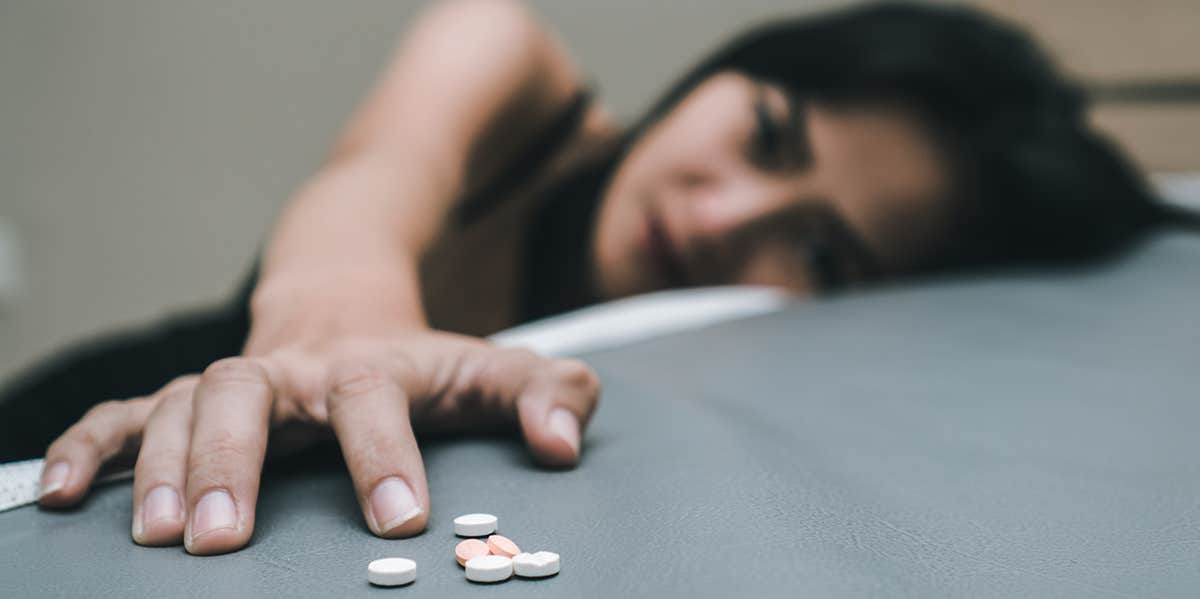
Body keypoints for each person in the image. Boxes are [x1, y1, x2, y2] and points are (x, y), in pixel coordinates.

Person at [1, 0, 1189, 555]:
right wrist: (335, 337)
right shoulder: (504, 58)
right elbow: (376, 173)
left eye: (821, 254)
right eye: (769, 134)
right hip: (135, 409)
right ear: (742, 63)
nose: (721, 215)